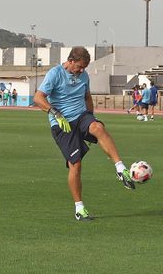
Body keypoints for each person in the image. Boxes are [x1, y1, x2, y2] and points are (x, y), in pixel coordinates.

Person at [33, 46, 135, 221]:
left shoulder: (84, 76)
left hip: (81, 116)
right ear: (70, 61)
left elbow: (87, 97)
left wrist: (90, 117)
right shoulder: (55, 74)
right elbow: (38, 98)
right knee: (76, 165)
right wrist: (55, 114)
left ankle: (120, 169)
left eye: (84, 68)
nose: (81, 71)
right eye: (79, 67)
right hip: (62, 124)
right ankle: (79, 209)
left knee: (98, 128)